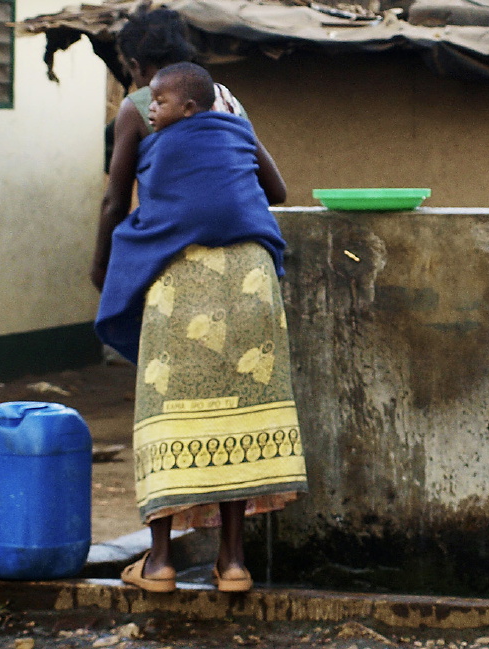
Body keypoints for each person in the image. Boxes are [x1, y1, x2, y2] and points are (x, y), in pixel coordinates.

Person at [94, 60, 306, 594]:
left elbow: (121, 206)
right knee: (239, 411)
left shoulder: (141, 116)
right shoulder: (231, 113)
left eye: (159, 101)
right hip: (252, 278)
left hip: (182, 279)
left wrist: (105, 269)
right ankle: (232, 564)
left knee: (166, 412)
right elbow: (276, 191)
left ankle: (160, 563)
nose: (152, 107)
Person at [92, 6, 286, 292]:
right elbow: (276, 192)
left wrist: (99, 266)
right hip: (251, 262)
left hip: (176, 262)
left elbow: (115, 203)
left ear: (137, 66)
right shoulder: (223, 98)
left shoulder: (138, 106)